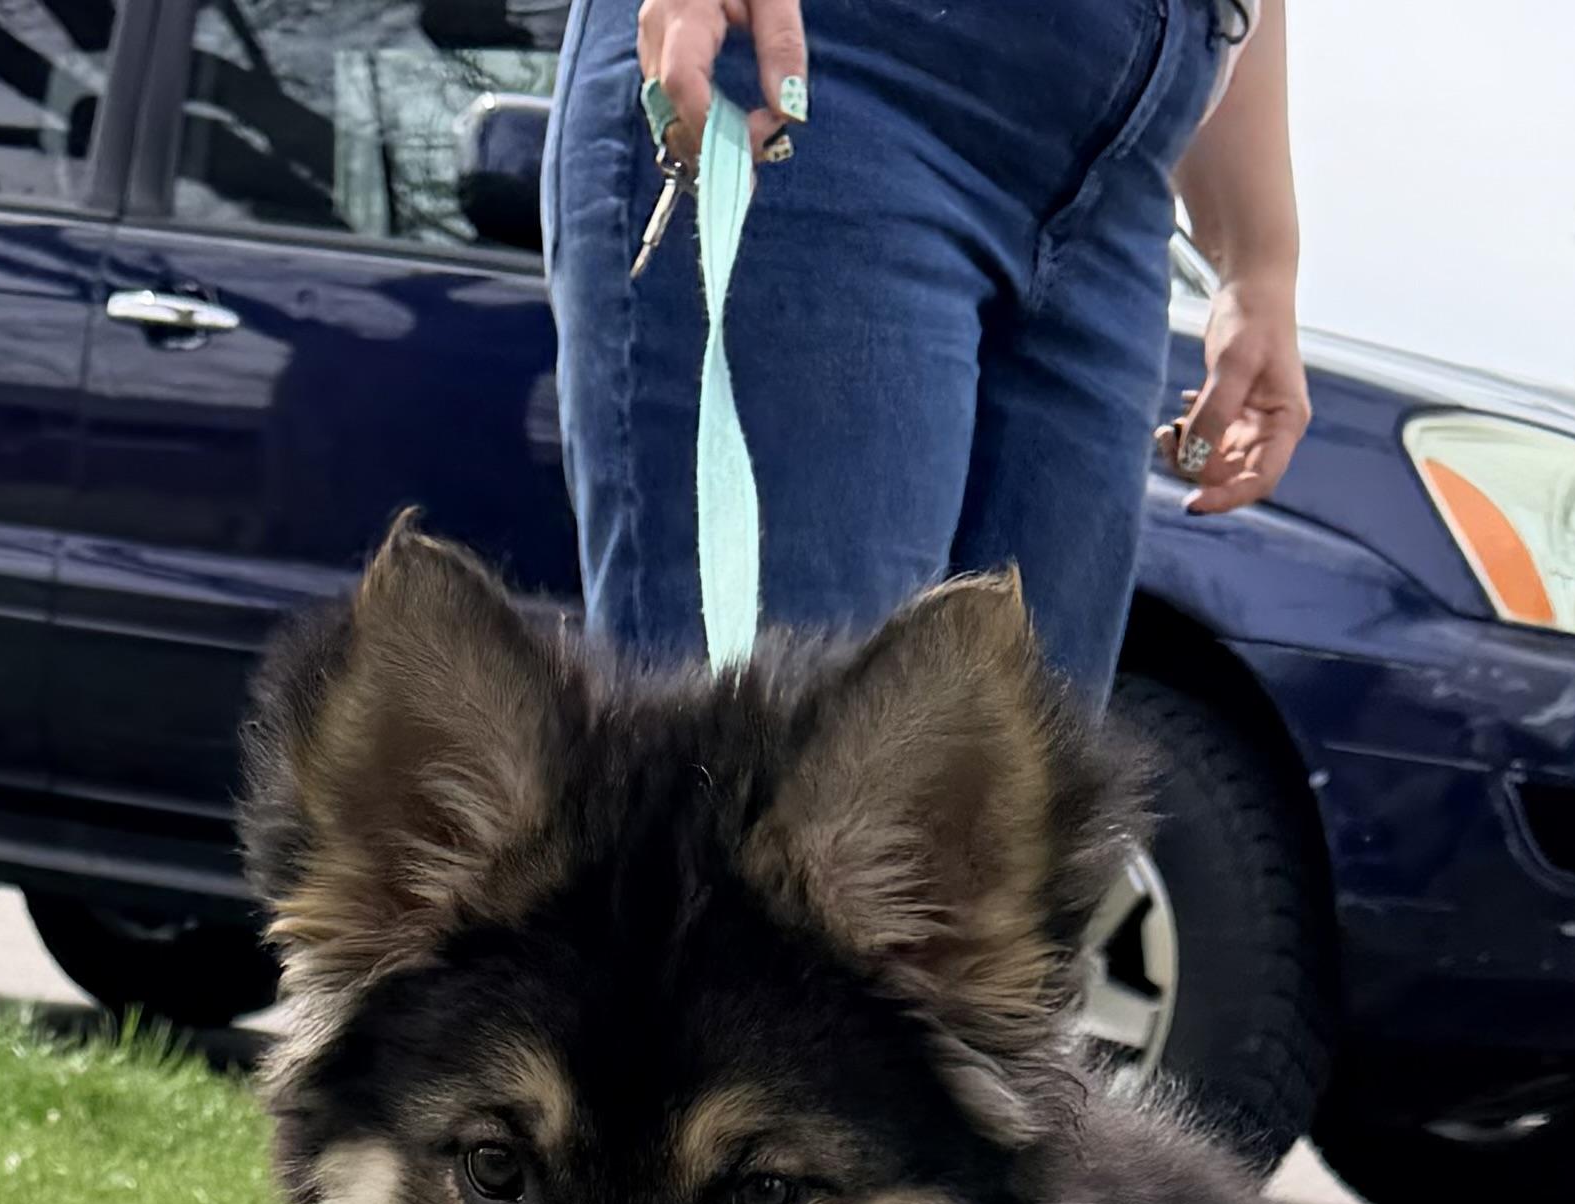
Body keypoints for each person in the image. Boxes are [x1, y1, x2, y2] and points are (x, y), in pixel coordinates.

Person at [543, 0, 1309, 707]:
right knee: (763, 799)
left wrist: (1259, 259)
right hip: (838, 59)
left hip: (1124, 166)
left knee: (1018, 840)